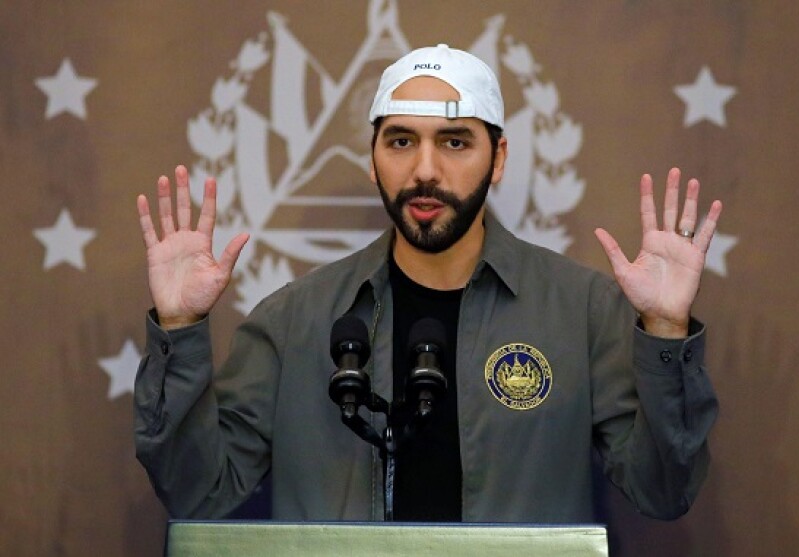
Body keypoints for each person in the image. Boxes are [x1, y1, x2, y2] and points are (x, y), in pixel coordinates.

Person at [134, 44, 722, 523]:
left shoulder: (583, 310)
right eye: (400, 141)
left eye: (455, 142)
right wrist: (180, 330)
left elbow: (662, 491)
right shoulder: (294, 321)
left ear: (498, 158)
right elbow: (199, 494)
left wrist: (666, 331)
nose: (424, 170)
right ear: (372, 158)